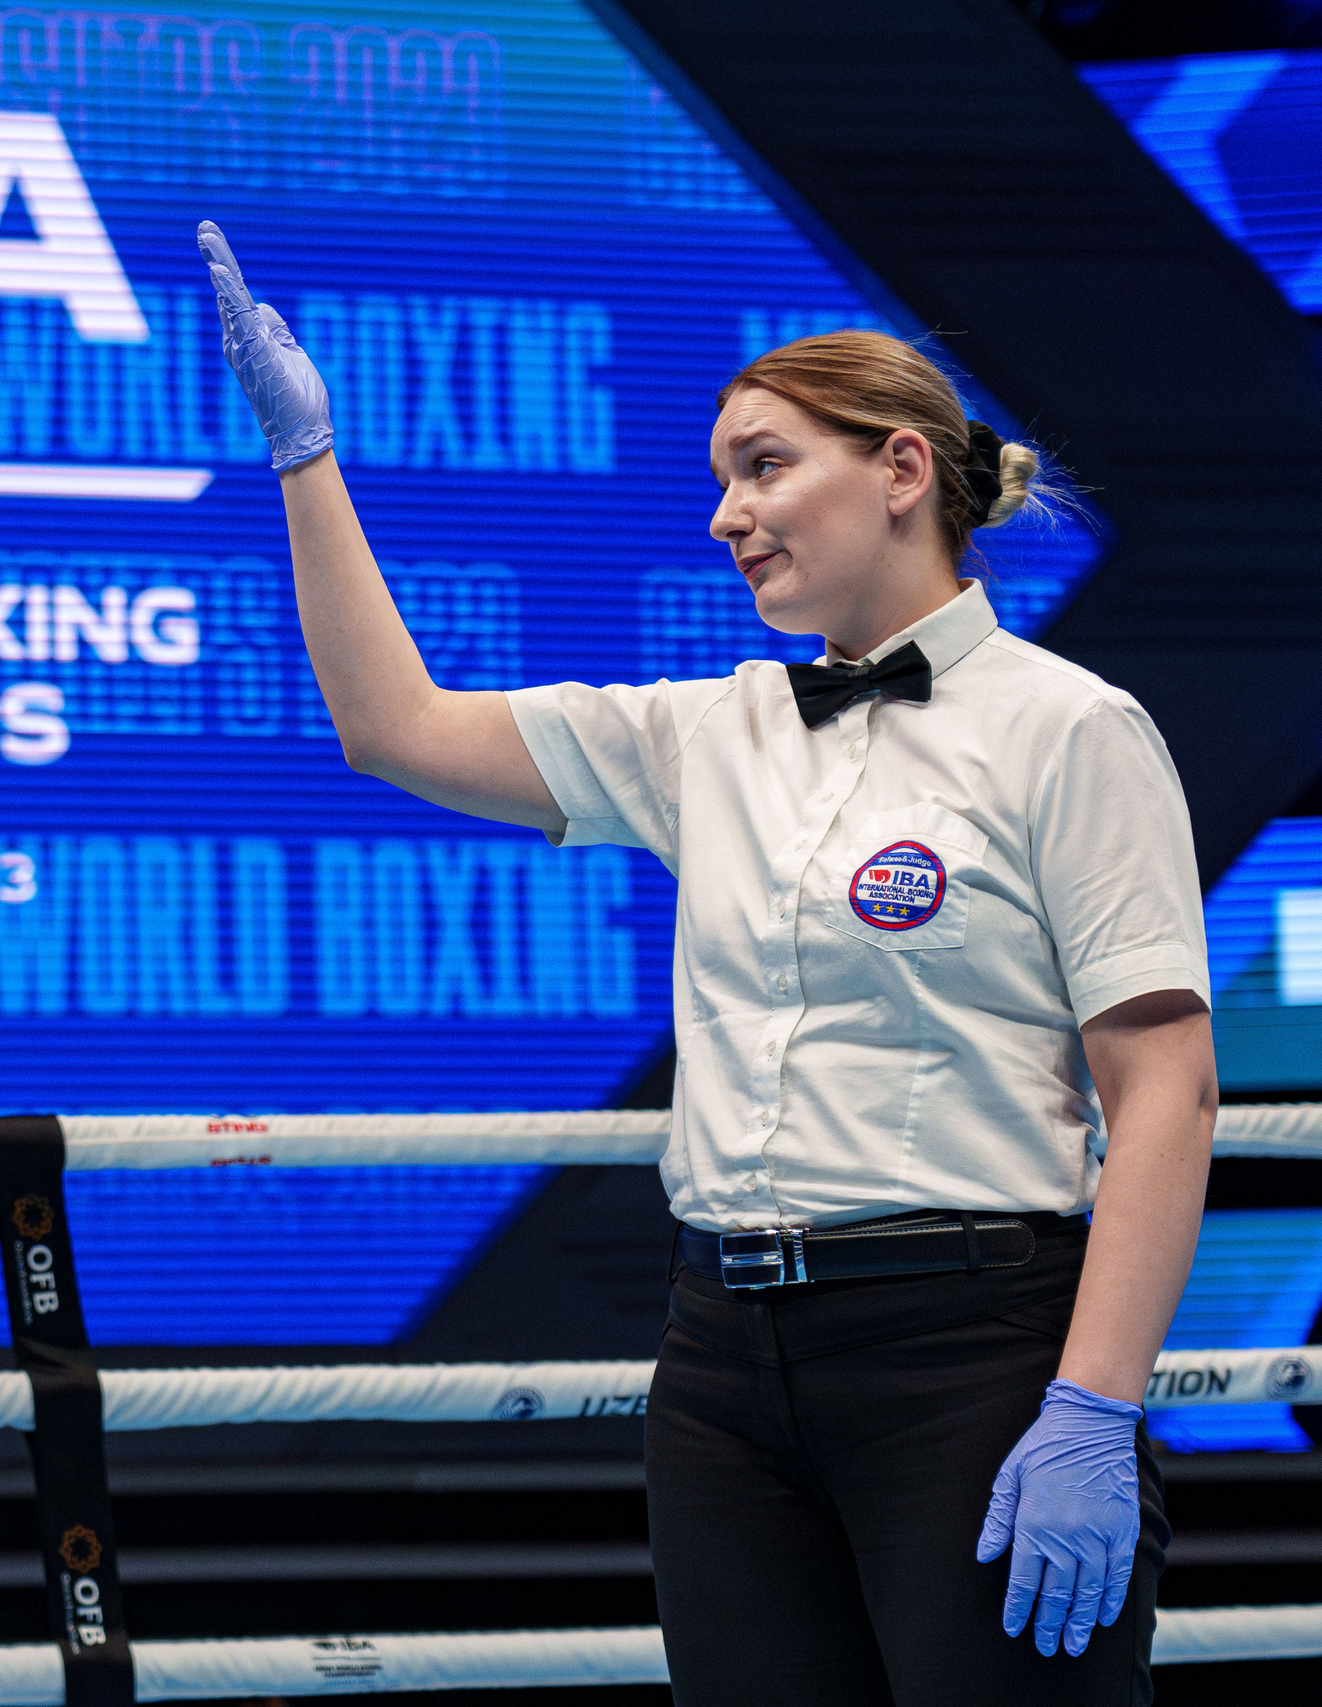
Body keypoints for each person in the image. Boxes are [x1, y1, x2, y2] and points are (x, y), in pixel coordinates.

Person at [198, 222, 1215, 1704]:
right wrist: (308, 460)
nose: (726, 514)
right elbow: (394, 728)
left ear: (901, 472)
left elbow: (1168, 1092)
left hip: (973, 1359)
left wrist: (1091, 1405)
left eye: (763, 465)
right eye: (722, 479)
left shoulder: (1071, 728)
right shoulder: (707, 730)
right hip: (725, 1367)